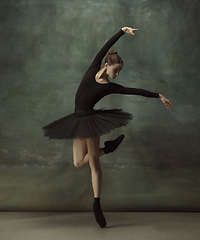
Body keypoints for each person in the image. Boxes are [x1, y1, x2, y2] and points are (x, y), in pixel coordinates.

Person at [42, 27, 173, 228]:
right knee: (78, 163)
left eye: (120, 71)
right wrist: (121, 31)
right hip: (77, 120)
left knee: (94, 163)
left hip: (92, 122)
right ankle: (108, 149)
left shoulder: (110, 86)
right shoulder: (94, 66)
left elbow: (134, 91)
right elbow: (105, 46)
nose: (117, 74)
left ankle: (97, 205)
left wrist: (158, 95)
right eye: (116, 70)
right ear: (106, 65)